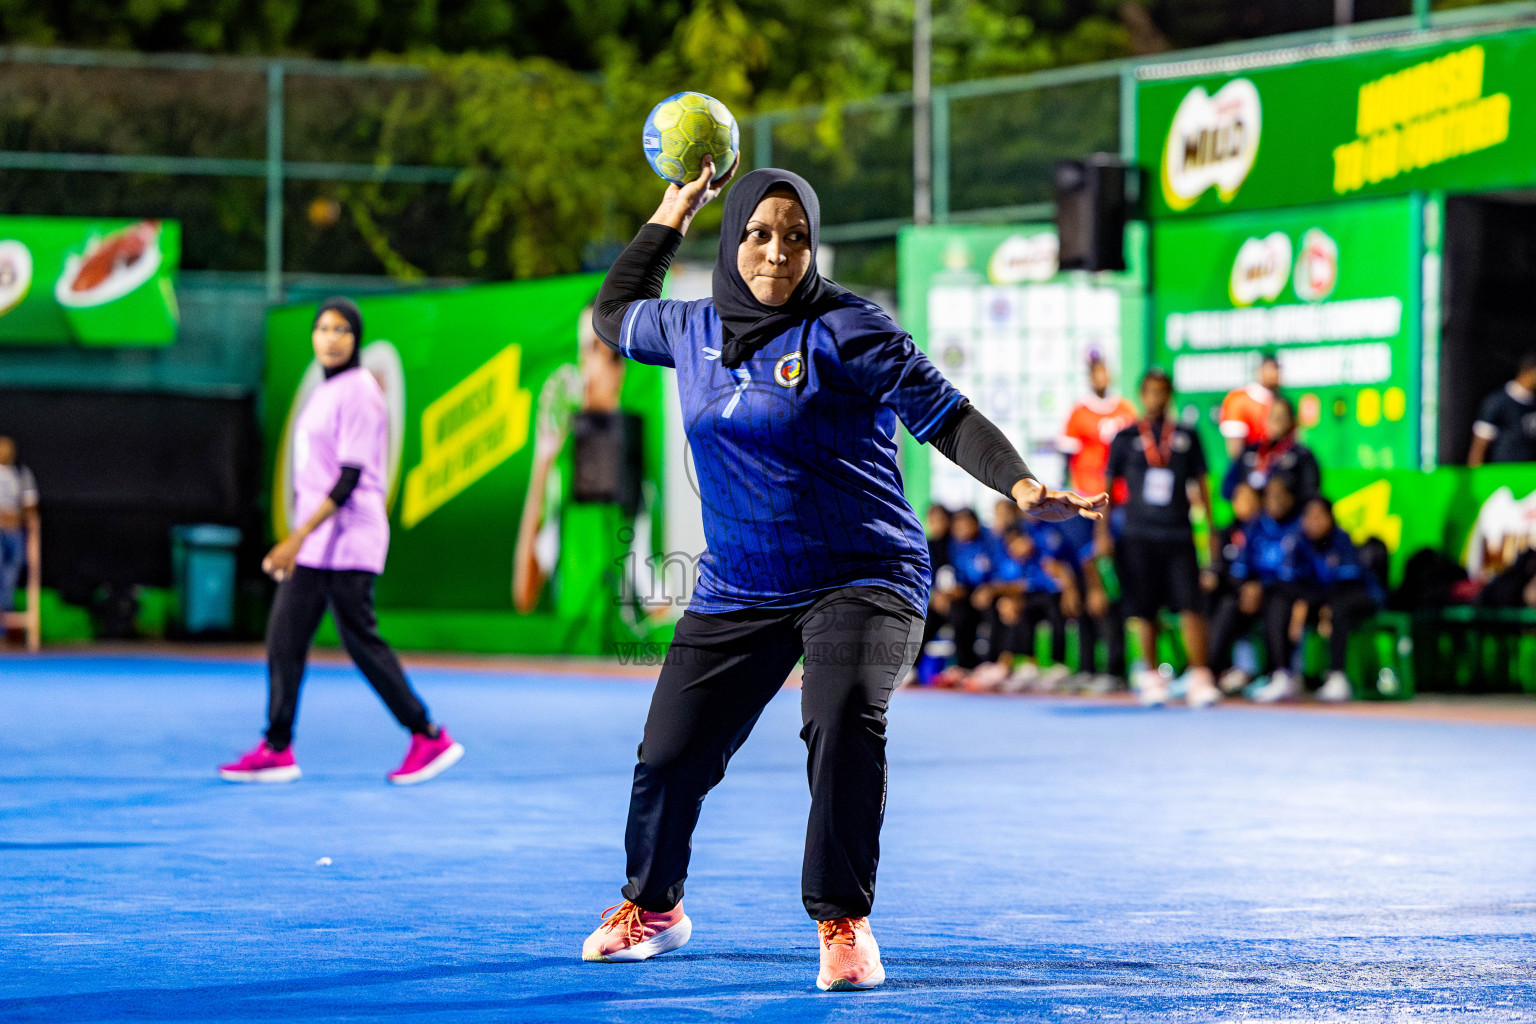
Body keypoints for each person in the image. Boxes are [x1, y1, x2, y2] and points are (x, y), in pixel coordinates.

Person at [580, 157, 1104, 990]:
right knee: (670, 754)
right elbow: (613, 314)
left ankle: (842, 918)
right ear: (731, 240)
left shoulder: (850, 329)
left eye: (795, 238)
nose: (777, 254)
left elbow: (949, 416)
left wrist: (1021, 484)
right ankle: (655, 905)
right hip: (741, 585)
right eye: (757, 234)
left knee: (841, 711)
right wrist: (672, 209)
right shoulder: (687, 327)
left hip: (863, 573)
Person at [218, 298, 464, 786]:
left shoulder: (359, 392)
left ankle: (428, 734)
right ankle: (277, 747)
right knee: (284, 639)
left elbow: (349, 479)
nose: (330, 337)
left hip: (348, 540)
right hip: (318, 545)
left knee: (362, 643)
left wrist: (295, 538)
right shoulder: (325, 391)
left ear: (356, 339)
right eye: (323, 328)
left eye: (342, 329)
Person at [1101, 367, 1221, 708]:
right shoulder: (1125, 438)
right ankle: (1152, 677)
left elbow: (1203, 485)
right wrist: (1102, 533)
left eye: (1162, 391)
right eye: (1150, 391)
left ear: (1170, 395)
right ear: (1142, 395)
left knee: (1190, 604)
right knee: (1145, 607)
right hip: (1138, 535)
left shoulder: (1187, 436)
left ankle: (1200, 677)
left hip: (1179, 532)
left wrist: (1210, 531)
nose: (1156, 398)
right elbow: (1108, 490)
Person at [1210, 474, 1303, 700]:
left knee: (1277, 604)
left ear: (1292, 498)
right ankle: (1212, 673)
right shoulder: (1255, 527)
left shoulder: (1299, 527)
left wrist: (1262, 588)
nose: (1276, 501)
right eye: (1271, 496)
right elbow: (1240, 568)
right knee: (1229, 604)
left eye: (1281, 495)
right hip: (1256, 594)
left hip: (1291, 594)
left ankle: (1281, 675)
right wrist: (1248, 588)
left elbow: (1299, 574)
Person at [1283, 496, 1383, 703]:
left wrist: (1324, 608)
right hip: (1321, 599)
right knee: (1283, 605)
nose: (1314, 521)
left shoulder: (1341, 539)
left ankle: (1338, 676)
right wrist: (1304, 604)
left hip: (1361, 596)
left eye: (1320, 516)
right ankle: (1285, 675)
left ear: (1331, 518)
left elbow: (1347, 584)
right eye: (1309, 516)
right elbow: (1294, 582)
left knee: (1338, 608)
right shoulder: (1300, 542)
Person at [1058, 353, 1137, 498]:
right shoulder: (1079, 412)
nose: (1102, 377)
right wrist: (1065, 484)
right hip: (1088, 491)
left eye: (1105, 372)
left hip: (1120, 492)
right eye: (1098, 373)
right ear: (1090, 377)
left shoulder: (1126, 409)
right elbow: (1067, 454)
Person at [1221, 394, 1320, 504]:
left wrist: (1282, 493)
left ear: (1292, 420)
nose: (1276, 420)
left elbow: (1311, 493)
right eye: (1272, 415)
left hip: (1289, 518)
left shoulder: (1302, 455)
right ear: (1265, 419)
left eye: (1282, 416)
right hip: (1252, 518)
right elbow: (1226, 489)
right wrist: (1245, 493)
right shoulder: (1250, 451)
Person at [1468, 352, 1536, 466]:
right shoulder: (1498, 401)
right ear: (1528, 371)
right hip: (1505, 472)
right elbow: (1479, 445)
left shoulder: (1533, 402)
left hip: (1531, 473)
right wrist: (1476, 477)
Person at [0, 436, 39, 619]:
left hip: (14, 532)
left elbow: (30, 503)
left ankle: (4, 625)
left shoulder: (21, 473)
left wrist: (20, 516)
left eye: (8, 447)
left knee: (11, 575)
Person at [1219, 352, 1281, 460]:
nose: (1274, 374)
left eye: (1277, 369)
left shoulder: (1281, 401)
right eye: (1270, 368)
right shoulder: (1239, 400)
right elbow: (1235, 449)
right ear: (1259, 370)